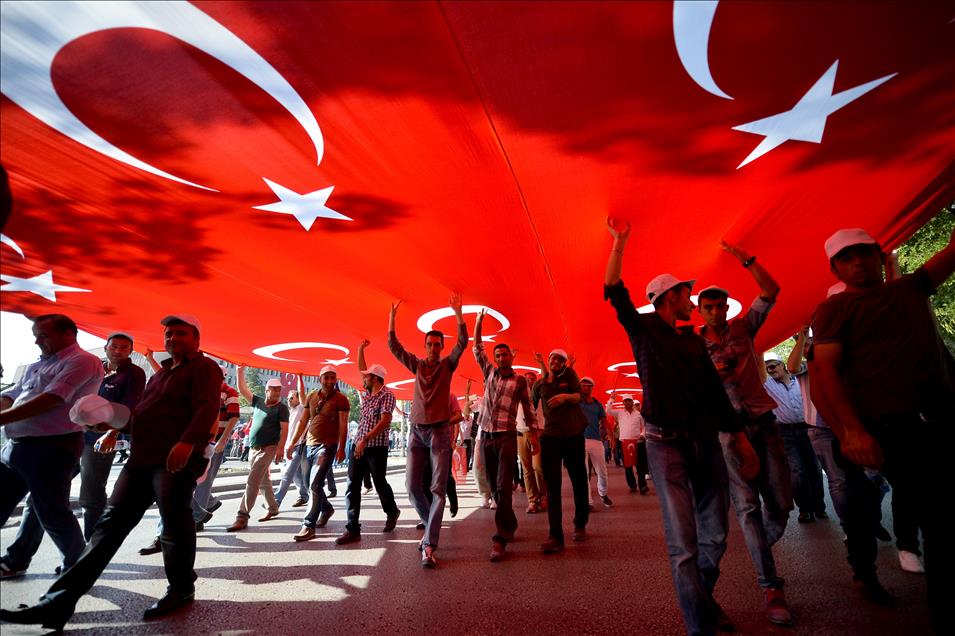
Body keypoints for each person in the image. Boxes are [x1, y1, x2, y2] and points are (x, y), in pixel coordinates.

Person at [1, 314, 222, 629]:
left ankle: (181, 588)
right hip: (141, 460)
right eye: (169, 334)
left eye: (181, 333)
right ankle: (57, 603)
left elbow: (207, 407)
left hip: (174, 459)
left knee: (174, 524)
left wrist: (187, 442)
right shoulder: (161, 374)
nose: (173, 338)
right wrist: (110, 425)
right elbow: (141, 414)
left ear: (196, 339)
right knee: (107, 528)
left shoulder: (205, 368)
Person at [603, 218, 759, 635]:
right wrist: (619, 243)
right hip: (663, 444)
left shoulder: (693, 341)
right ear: (672, 296)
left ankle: (702, 597)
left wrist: (739, 438)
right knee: (683, 544)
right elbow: (614, 290)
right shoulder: (643, 329)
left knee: (717, 535)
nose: (693, 300)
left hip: (705, 442)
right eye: (687, 294)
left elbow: (714, 394)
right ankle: (699, 625)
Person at [809, 226, 954, 630]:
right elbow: (823, 377)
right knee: (865, 509)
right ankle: (866, 573)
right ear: (835, 269)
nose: (858, 262)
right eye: (847, 257)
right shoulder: (833, 309)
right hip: (878, 428)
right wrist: (850, 433)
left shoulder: (910, 289)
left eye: (864, 253)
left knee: (936, 514)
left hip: (936, 420)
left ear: (879, 255)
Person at [696, 241, 794, 627]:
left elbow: (771, 291)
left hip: (763, 422)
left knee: (781, 504)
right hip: (727, 433)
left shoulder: (744, 328)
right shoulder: (695, 346)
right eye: (709, 307)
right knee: (748, 508)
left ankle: (760, 548)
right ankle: (771, 585)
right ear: (700, 311)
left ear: (727, 308)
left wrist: (746, 260)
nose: (715, 311)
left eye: (720, 306)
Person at [0, 314, 103, 579]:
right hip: (16, 446)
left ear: (68, 333)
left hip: (51, 448)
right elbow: (13, 394)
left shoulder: (82, 361)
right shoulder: (38, 365)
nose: (37, 341)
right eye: (36, 335)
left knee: (52, 513)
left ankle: (78, 570)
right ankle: (16, 561)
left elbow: (54, 397)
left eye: (43, 335)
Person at [388, 292, 466, 568]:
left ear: (442, 347)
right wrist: (392, 318)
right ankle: (430, 526)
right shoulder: (418, 365)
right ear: (425, 346)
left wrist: (458, 313)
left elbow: (463, 343)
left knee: (437, 489)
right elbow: (394, 346)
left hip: (439, 433)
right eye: (430, 344)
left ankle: (430, 545)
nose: (433, 348)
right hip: (416, 433)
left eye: (437, 344)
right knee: (411, 487)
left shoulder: (447, 365)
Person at [472, 309, 538, 561]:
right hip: (486, 436)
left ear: (511, 356)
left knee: (502, 485)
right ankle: (510, 524)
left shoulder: (520, 381)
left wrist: (534, 436)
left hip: (507, 437)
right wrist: (478, 322)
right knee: (494, 487)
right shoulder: (489, 372)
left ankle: (500, 539)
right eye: (498, 355)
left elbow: (529, 409)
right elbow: (477, 348)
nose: (501, 358)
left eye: (504, 354)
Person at [335, 341, 401, 544]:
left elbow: (385, 421)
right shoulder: (367, 394)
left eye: (367, 376)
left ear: (375, 378)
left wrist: (365, 439)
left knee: (379, 482)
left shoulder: (387, 395)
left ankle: (392, 511)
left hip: (376, 447)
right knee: (352, 484)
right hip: (359, 445)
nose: (363, 378)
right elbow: (360, 370)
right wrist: (360, 350)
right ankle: (352, 529)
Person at [532, 349, 589, 553]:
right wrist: (533, 432)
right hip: (551, 436)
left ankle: (580, 523)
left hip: (573, 435)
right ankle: (555, 536)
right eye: (553, 358)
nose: (556, 361)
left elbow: (579, 396)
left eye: (561, 360)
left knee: (579, 480)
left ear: (565, 364)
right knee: (552, 485)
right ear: (548, 361)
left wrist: (565, 397)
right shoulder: (539, 385)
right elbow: (531, 407)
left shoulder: (569, 375)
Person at [763, 352, 827, 523]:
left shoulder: (800, 379)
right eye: (767, 368)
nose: (770, 370)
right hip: (786, 433)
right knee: (797, 471)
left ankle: (819, 506)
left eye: (773, 366)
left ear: (782, 364)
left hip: (808, 428)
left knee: (814, 469)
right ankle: (804, 509)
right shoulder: (768, 384)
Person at [291, 365, 348, 542]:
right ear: (320, 379)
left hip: (327, 446)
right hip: (309, 446)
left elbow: (343, 425)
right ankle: (327, 509)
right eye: (326, 378)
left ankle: (308, 526)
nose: (330, 381)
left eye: (333, 378)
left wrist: (341, 448)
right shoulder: (311, 396)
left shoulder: (341, 399)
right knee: (309, 484)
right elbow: (303, 421)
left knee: (315, 484)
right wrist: (292, 443)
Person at [226, 372, 289, 531]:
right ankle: (273, 508)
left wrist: (281, 449)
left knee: (253, 480)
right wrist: (239, 371)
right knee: (263, 481)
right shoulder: (258, 402)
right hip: (254, 449)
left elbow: (285, 429)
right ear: (267, 390)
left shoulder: (282, 408)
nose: (276, 392)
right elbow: (243, 389)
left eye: (278, 390)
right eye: (273, 389)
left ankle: (242, 516)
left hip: (269, 449)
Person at [272, 376, 311, 509]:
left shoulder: (302, 408)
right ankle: (304, 496)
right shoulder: (289, 412)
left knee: (287, 474)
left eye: (291, 398)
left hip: (299, 446)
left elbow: (302, 393)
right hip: (289, 447)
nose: (288, 400)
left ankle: (275, 502)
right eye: (288, 398)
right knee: (295, 474)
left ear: (298, 399)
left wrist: (299, 377)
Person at [579, 376, 612, 509]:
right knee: (583, 473)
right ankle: (588, 502)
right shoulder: (575, 402)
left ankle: (603, 494)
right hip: (579, 440)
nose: (586, 388)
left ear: (592, 388)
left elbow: (604, 421)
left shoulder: (597, 404)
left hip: (596, 440)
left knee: (602, 472)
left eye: (588, 386)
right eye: (583, 385)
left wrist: (610, 437)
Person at [605, 393, 648, 494]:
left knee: (640, 465)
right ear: (623, 403)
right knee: (628, 466)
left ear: (632, 402)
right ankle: (632, 485)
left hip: (638, 442)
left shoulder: (638, 414)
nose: (628, 403)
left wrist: (642, 434)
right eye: (626, 401)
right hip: (624, 442)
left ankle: (643, 485)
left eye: (629, 401)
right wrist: (611, 399)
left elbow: (644, 426)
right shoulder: (619, 413)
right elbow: (608, 411)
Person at [516, 371, 545, 513]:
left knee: (538, 467)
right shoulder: (516, 396)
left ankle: (543, 495)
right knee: (526, 469)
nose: (529, 381)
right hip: (520, 433)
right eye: (527, 379)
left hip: (537, 433)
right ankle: (532, 500)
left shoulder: (540, 396)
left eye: (532, 379)